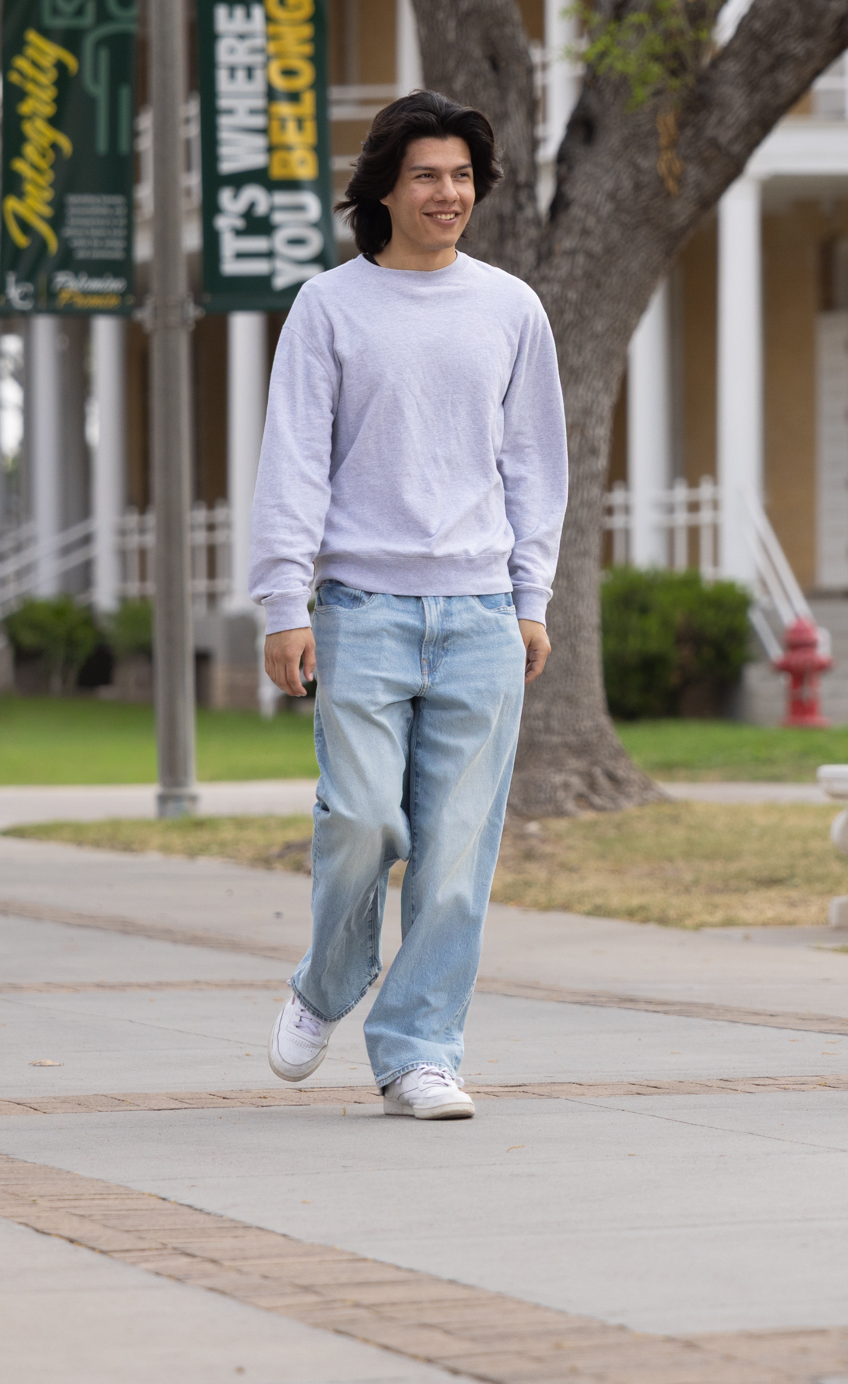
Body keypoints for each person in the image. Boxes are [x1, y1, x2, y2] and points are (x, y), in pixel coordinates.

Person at [247, 91, 565, 1122]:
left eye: (464, 176)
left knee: (458, 853)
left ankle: (422, 1049)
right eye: (427, 175)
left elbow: (534, 466)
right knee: (361, 821)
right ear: (384, 186)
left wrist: (531, 598)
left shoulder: (510, 307)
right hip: (359, 610)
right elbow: (292, 461)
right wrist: (280, 602)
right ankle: (326, 983)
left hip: (477, 612)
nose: (448, 193)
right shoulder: (330, 307)